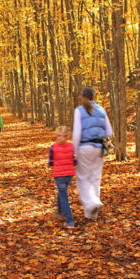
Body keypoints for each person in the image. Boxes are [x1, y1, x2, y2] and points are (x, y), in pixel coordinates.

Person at [72, 87, 113, 221]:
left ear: (83, 97)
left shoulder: (79, 111)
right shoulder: (101, 110)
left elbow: (77, 133)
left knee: (83, 178)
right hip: (99, 148)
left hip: (85, 146)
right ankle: (91, 214)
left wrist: (74, 151)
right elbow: (109, 132)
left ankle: (91, 203)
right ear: (94, 97)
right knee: (95, 177)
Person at [49, 126, 76, 229]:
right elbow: (74, 161)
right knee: (62, 192)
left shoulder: (53, 147)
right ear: (67, 136)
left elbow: (51, 162)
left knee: (64, 196)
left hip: (59, 175)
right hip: (69, 174)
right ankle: (59, 212)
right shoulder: (71, 146)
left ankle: (70, 222)